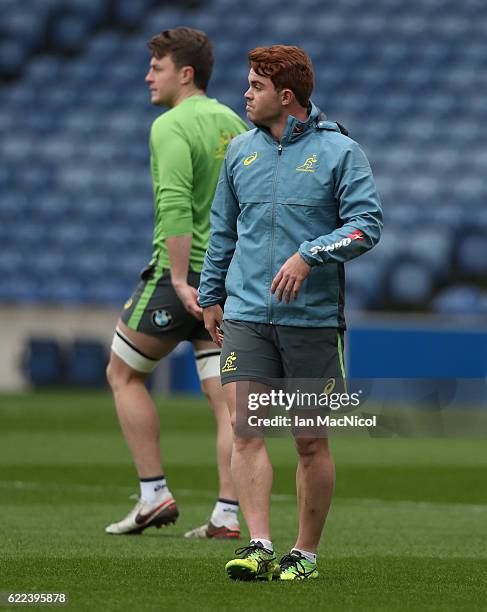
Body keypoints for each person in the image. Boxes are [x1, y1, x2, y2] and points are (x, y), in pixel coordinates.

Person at [198, 45, 383, 579]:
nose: (245, 95)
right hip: (248, 315)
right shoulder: (240, 153)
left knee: (308, 440)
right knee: (246, 430)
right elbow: (223, 231)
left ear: (286, 96)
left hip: (311, 320)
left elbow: (366, 225)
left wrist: (309, 254)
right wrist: (212, 294)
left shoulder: (341, 153)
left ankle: (304, 554)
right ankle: (258, 544)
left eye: (254, 86)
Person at [105, 27, 248, 538]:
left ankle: (153, 495)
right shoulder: (235, 122)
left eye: (157, 67)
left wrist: (182, 279)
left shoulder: (170, 125)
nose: (148, 76)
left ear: (185, 74)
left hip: (182, 278)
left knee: (122, 374)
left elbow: (174, 207)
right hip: (229, 282)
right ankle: (228, 514)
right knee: (226, 402)